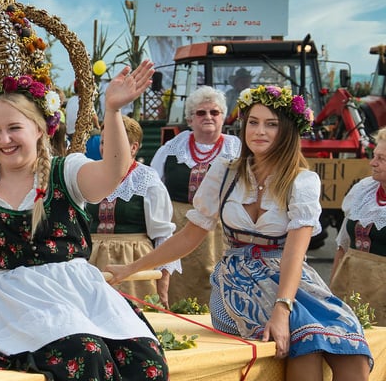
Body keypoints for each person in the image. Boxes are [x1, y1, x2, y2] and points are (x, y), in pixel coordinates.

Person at [0, 62, 168, 380]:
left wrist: (112, 110)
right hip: (17, 301)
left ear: (39, 129)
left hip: (81, 294)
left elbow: (114, 172)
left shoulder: (65, 172)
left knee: (146, 363)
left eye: (14, 128)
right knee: (86, 355)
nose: (4, 139)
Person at [108, 85, 372, 379]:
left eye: (271, 124)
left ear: (287, 132)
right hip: (237, 279)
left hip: (290, 279)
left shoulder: (302, 181)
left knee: (353, 350)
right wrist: (131, 267)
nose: (259, 131)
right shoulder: (225, 172)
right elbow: (188, 236)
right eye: (254, 122)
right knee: (305, 346)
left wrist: (282, 308)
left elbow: (296, 253)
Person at [149, 86, 240, 304]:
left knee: (216, 278)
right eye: (201, 113)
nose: (208, 117)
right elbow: (152, 187)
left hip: (219, 230)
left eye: (214, 112)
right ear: (190, 120)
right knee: (177, 279)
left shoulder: (236, 149)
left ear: (223, 117)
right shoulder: (171, 148)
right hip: (178, 225)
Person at [87, 115, 179, 307]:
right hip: (93, 262)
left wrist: (163, 284)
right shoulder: (90, 174)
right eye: (104, 142)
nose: (107, 147)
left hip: (134, 263)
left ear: (134, 147)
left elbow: (163, 235)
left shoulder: (146, 180)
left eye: (114, 142)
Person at [331, 127, 386, 320]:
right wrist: (331, 295)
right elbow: (343, 246)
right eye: (374, 156)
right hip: (350, 289)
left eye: (382, 159)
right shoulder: (363, 190)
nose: (373, 163)